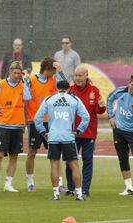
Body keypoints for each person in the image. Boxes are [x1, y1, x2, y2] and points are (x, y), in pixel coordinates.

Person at [35, 80, 90, 201]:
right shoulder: (74, 99)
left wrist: (43, 132)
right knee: (74, 165)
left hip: (53, 137)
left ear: (56, 87)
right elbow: (86, 117)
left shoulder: (49, 99)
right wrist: (79, 130)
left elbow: (37, 118)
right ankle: (79, 194)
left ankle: (56, 194)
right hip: (68, 137)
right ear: (68, 88)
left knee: (54, 165)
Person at [0, 61, 31, 193]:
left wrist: (25, 81)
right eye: (14, 73)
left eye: (19, 73)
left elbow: (28, 97)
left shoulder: (22, 84)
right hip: (3, 124)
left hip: (17, 125)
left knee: (14, 156)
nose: (16, 75)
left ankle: (8, 184)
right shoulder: (0, 84)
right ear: (10, 72)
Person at [25, 57, 67, 192]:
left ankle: (60, 183)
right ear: (47, 69)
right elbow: (25, 98)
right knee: (32, 152)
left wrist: (60, 72)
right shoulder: (31, 80)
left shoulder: (53, 81)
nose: (54, 74)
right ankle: (30, 182)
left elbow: (65, 87)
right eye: (53, 71)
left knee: (54, 152)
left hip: (51, 122)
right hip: (34, 121)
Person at [65, 66, 106, 198]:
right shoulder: (70, 91)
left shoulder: (94, 91)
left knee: (87, 161)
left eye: (80, 75)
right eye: (76, 76)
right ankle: (71, 188)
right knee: (70, 161)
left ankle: (85, 189)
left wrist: (101, 105)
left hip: (89, 133)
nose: (77, 78)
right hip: (72, 133)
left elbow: (100, 111)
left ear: (86, 76)